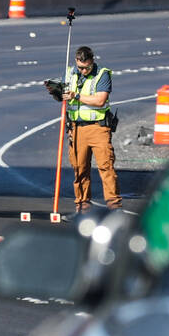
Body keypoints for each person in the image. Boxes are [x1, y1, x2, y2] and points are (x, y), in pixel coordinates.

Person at [62, 46, 122, 213]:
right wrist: (57, 92)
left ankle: (114, 206)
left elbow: (100, 100)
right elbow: (63, 94)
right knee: (79, 168)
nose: (83, 71)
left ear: (92, 61)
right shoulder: (70, 73)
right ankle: (82, 207)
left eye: (87, 67)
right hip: (76, 128)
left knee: (106, 166)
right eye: (80, 67)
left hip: (98, 128)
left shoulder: (102, 74)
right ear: (76, 61)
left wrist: (77, 96)